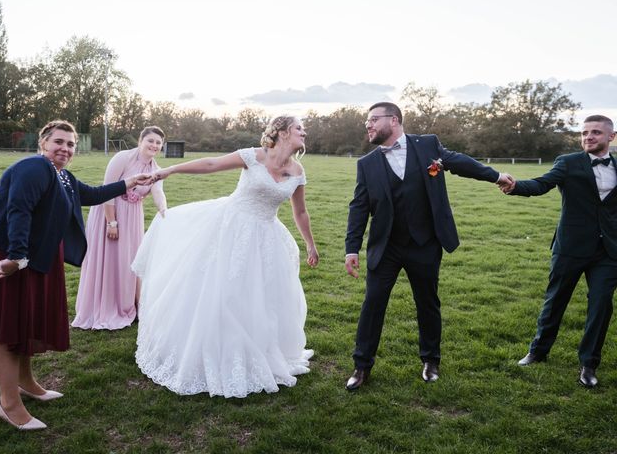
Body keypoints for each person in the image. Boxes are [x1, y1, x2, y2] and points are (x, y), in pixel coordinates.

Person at [0, 120, 150, 430]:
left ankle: (27, 383)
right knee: (7, 327)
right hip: (4, 252)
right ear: (43, 143)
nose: (66, 148)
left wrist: (129, 182)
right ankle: (8, 403)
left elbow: (94, 194)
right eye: (59, 141)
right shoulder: (34, 168)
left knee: (25, 320)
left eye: (71, 144)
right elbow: (18, 209)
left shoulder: (63, 177)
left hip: (31, 256)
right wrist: (16, 257)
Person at [132, 115, 319, 398]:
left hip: (267, 237)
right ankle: (213, 348)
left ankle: (257, 348)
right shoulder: (254, 156)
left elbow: (300, 211)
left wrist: (310, 244)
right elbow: (211, 164)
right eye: (298, 129)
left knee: (261, 297)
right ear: (281, 133)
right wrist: (169, 171)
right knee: (222, 292)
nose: (304, 133)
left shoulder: (297, 170)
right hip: (231, 227)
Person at [344, 102, 513, 390]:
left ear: (394, 120)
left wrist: (495, 176)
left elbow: (460, 163)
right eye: (367, 122)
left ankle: (431, 360)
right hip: (385, 247)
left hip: (424, 244)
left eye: (373, 119)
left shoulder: (428, 146)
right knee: (372, 305)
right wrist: (351, 248)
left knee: (427, 303)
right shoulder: (367, 164)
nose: (368, 125)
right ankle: (361, 367)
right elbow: (359, 207)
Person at [502, 114, 617, 388]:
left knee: (601, 305)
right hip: (571, 246)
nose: (588, 137)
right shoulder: (568, 162)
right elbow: (543, 183)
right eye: (585, 132)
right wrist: (517, 186)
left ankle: (589, 364)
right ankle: (538, 351)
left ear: (611, 137)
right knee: (556, 300)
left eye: (596, 133)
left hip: (609, 251)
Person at [72, 126, 167, 330]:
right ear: (141, 141)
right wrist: (111, 222)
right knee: (111, 259)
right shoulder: (123, 157)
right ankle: (105, 305)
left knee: (130, 260)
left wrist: (165, 212)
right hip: (110, 211)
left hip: (133, 217)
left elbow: (158, 193)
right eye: (150, 140)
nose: (154, 145)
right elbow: (107, 189)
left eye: (158, 143)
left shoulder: (156, 169)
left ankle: (130, 304)